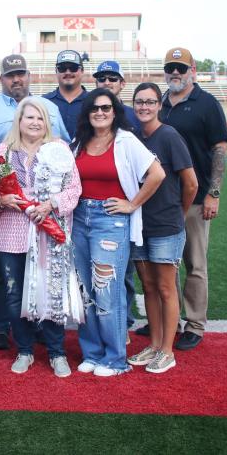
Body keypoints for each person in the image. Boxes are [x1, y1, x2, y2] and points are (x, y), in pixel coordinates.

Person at [0, 54, 70, 350]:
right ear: (1, 78)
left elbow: (65, 153)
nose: (16, 79)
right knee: (3, 273)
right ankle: (0, 327)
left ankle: (39, 327)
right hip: (7, 210)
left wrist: (51, 202)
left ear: (29, 76)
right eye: (10, 75)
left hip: (43, 215)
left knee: (40, 272)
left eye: (21, 74)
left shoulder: (50, 107)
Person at [71, 89, 164, 376]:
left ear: (114, 112)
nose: (100, 113)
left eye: (106, 108)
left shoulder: (125, 140)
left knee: (107, 291)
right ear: (87, 113)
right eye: (94, 108)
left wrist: (132, 204)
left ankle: (114, 358)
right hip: (79, 219)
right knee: (85, 290)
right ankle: (93, 352)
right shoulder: (79, 143)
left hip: (109, 221)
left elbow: (157, 174)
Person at [0, 98, 82, 378]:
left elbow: (74, 189)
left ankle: (57, 352)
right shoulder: (4, 151)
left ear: (47, 123)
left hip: (47, 229)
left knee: (50, 289)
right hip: (11, 230)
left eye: (39, 118)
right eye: (28, 117)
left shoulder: (59, 149)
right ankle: (25, 350)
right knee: (13, 293)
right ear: (18, 121)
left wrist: (51, 204)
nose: (34, 122)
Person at [157, 47, 227, 351]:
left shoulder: (207, 103)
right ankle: (167, 319)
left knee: (194, 263)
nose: (175, 72)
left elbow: (220, 148)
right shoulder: (160, 102)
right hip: (162, 199)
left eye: (181, 68)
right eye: (171, 67)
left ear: (192, 70)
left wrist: (213, 193)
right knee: (164, 261)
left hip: (196, 197)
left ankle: (195, 324)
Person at [127, 83, 198, 374]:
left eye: (150, 102)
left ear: (159, 105)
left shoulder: (168, 136)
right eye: (139, 102)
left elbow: (191, 183)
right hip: (139, 225)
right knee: (149, 286)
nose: (144, 107)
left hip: (165, 225)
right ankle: (155, 344)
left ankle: (167, 350)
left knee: (167, 288)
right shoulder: (132, 138)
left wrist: (178, 216)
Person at [92, 60, 142, 335]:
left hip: (122, 208)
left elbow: (149, 167)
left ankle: (123, 324)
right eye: (102, 78)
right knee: (97, 272)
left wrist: (134, 202)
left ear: (122, 83)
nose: (107, 82)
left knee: (123, 272)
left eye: (113, 78)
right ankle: (100, 325)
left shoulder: (134, 118)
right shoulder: (92, 113)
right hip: (91, 209)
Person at [44, 50, 89, 138]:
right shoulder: (44, 102)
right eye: (62, 68)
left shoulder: (94, 101)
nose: (68, 72)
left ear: (82, 70)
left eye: (73, 68)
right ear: (56, 71)